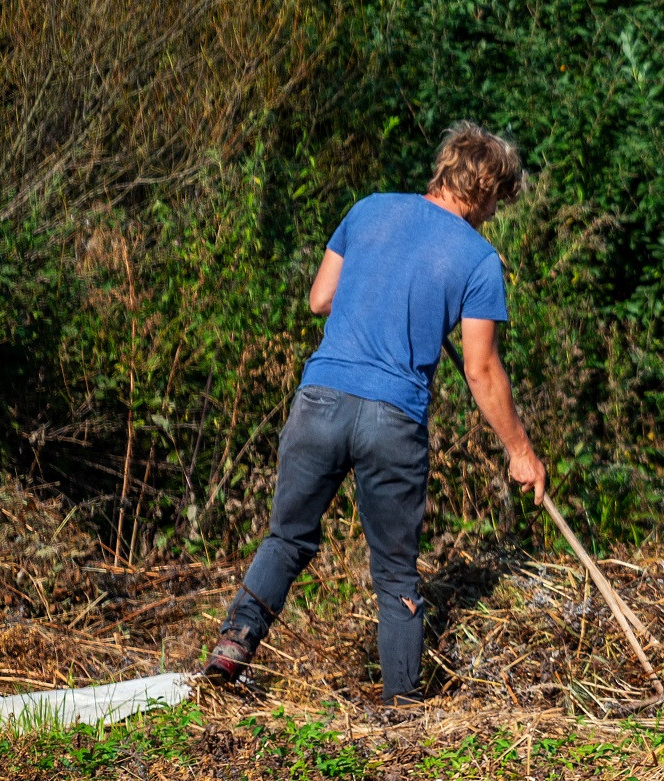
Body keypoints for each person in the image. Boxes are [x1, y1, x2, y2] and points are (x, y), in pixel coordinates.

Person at [206, 123, 546, 703]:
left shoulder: (367, 211)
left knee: (287, 537)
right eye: (497, 201)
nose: (494, 213)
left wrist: (380, 293)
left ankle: (233, 647)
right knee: (394, 574)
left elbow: (320, 299)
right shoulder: (479, 260)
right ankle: (402, 713)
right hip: (392, 419)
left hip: (321, 400)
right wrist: (520, 451)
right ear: (486, 189)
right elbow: (481, 369)